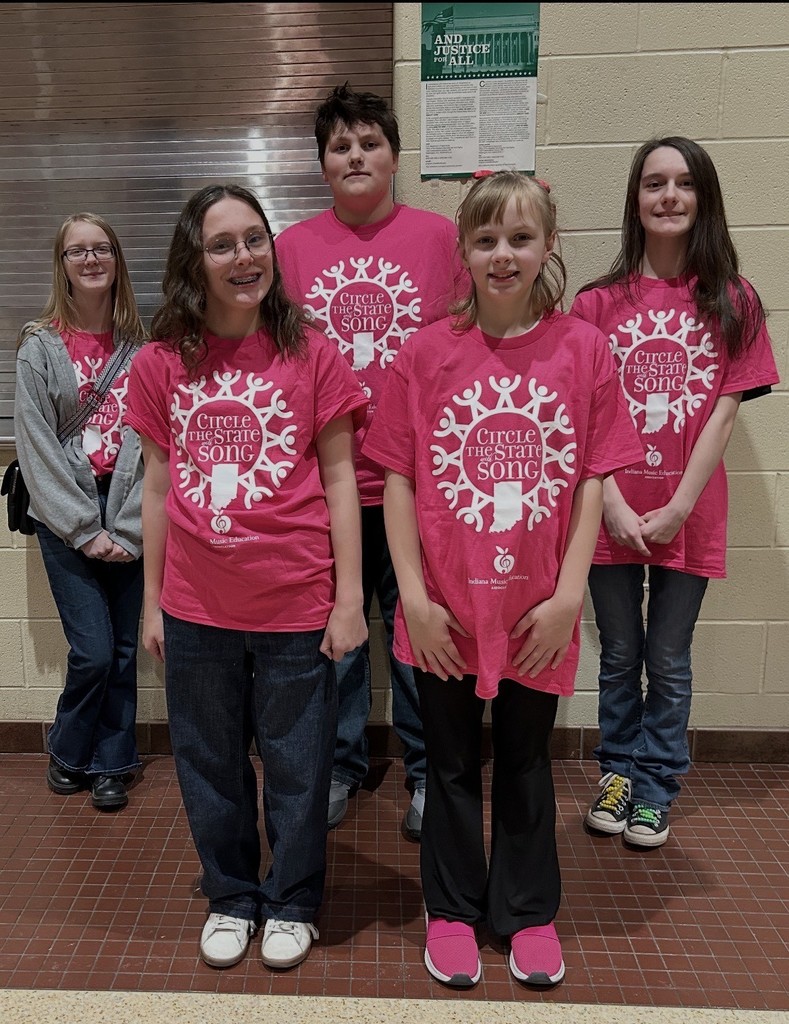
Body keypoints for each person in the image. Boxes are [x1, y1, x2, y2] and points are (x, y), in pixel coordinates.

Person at [362, 171, 643, 988]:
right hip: (444, 603)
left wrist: (566, 596)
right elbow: (400, 480)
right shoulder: (423, 352)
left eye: (520, 238)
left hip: (536, 607)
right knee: (446, 761)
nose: (502, 254)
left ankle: (525, 911)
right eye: (485, 239)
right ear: (464, 251)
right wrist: (412, 596)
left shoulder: (583, 350)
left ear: (548, 245)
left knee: (524, 762)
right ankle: (450, 909)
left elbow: (592, 477)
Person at [125, 184, 367, 972]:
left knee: (300, 766)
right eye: (224, 244)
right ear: (194, 260)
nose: (244, 257)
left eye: (255, 239)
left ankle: (292, 899)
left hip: (296, 602)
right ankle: (231, 894)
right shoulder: (163, 362)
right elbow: (156, 487)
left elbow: (340, 482)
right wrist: (153, 601)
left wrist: (349, 600)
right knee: (209, 761)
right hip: (197, 607)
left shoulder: (313, 353)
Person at [571, 137, 779, 848]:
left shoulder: (734, 298)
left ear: (702, 198)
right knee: (620, 655)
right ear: (634, 199)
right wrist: (618, 507)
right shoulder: (595, 304)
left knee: (667, 658)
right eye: (653, 182)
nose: (667, 195)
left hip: (687, 510)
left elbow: (724, 411)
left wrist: (680, 505)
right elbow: (583, 418)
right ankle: (617, 773)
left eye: (683, 183)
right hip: (610, 511)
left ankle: (656, 787)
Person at [276, 82, 469, 838]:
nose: (355, 155)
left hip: (412, 482)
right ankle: (341, 766)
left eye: (369, 143)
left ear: (394, 156)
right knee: (339, 637)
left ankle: (427, 774)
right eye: (339, 146)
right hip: (324, 484)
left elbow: (465, 350)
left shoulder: (439, 239)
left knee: (419, 633)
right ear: (322, 164)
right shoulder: (290, 248)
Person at [14, 213, 146, 812]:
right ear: (62, 266)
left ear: (116, 260)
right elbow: (35, 445)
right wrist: (85, 529)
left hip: (126, 510)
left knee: (123, 649)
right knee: (93, 649)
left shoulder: (144, 350)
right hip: (66, 514)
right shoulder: (40, 346)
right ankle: (68, 748)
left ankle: (112, 763)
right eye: (76, 252)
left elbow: (156, 446)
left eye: (101, 249)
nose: (90, 260)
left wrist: (128, 527)